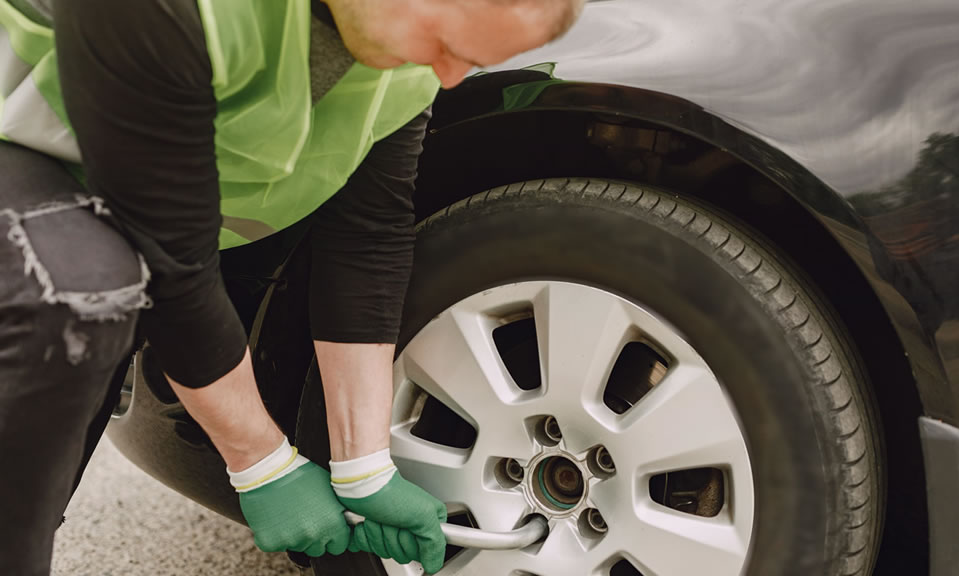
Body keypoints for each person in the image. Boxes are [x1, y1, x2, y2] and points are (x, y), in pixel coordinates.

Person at [0, 0, 584, 574]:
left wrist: (366, 469)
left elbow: (366, 234)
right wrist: (262, 465)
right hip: (21, 156)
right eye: (452, 45)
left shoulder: (407, 59)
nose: (453, 75)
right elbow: (173, 264)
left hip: (125, 210)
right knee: (76, 291)